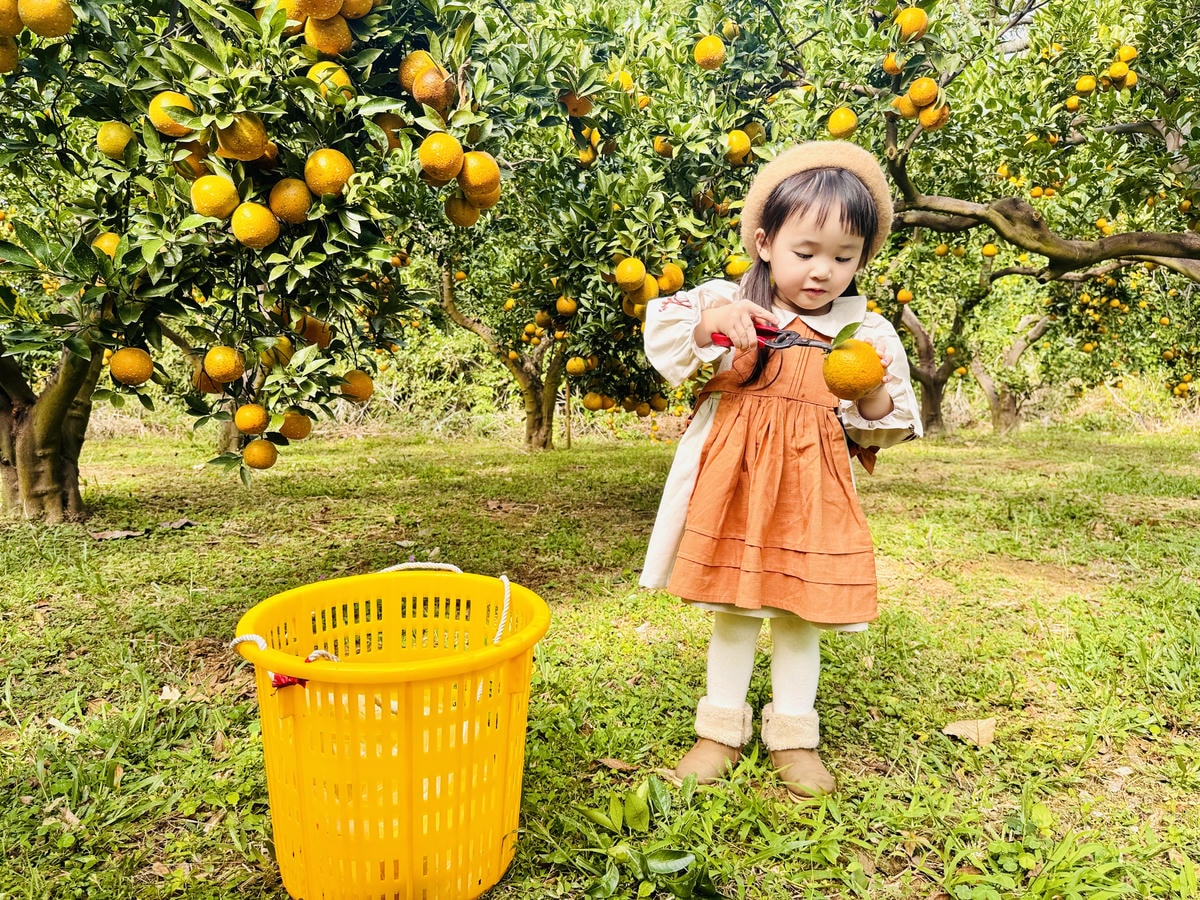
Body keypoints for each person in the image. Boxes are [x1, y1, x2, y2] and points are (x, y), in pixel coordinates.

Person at [639, 140, 922, 800]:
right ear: (765, 243)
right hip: (736, 480)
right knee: (734, 610)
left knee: (800, 613)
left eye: (844, 257)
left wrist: (870, 391)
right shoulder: (733, 302)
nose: (824, 271)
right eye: (806, 252)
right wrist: (718, 321)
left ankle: (794, 736)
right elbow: (670, 337)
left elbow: (884, 417)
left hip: (810, 488)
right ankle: (719, 732)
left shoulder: (866, 335)